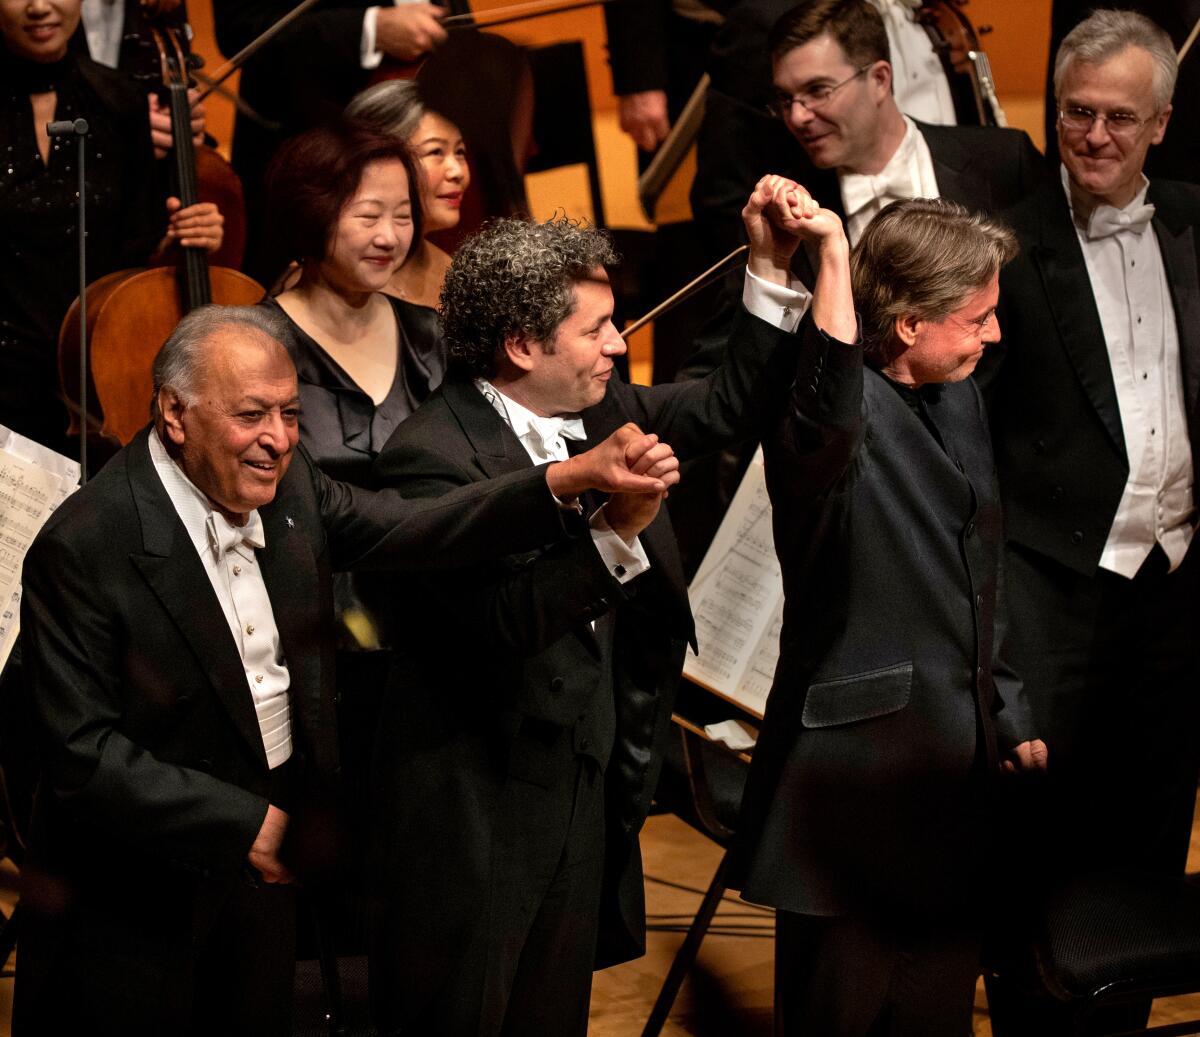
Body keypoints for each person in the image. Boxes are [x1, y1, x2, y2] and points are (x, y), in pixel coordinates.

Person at [14, 302, 679, 1036]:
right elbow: (80, 753)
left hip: (265, 870)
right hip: (137, 890)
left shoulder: (293, 485)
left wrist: (569, 477)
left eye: (291, 413)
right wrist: (244, 826)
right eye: (251, 415)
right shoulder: (85, 543)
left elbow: (414, 525)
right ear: (174, 412)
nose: (277, 439)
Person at [367, 176, 815, 1035]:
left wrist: (766, 267)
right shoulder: (431, 458)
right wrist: (615, 535)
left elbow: (725, 408)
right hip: (480, 802)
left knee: (553, 1012)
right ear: (521, 346)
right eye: (596, 329)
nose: (619, 345)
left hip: (584, 772)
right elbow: (505, 624)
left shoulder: (595, 404)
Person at [732, 196, 1046, 1036]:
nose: (995, 335)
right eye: (976, 317)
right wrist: (831, 254)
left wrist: (1006, 706)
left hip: (951, 780)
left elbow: (980, 565)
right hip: (852, 792)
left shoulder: (961, 396)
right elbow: (828, 403)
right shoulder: (827, 414)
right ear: (907, 324)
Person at [976, 11, 1200, 1034]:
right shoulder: (1008, 243)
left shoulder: (1198, 223)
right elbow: (971, 446)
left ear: (1162, 121)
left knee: (1150, 850)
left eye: (1120, 117)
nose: (1097, 136)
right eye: (1077, 114)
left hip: (1178, 597)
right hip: (1052, 596)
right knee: (1039, 860)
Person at [0, 0, 224, 455]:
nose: (40, 7)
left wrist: (185, 236)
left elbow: (136, 248)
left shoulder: (119, 100)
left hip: (96, 380)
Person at [345, 78, 470, 308]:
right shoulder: (334, 279)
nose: (457, 171)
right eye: (436, 152)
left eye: (460, 152)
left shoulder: (453, 274)